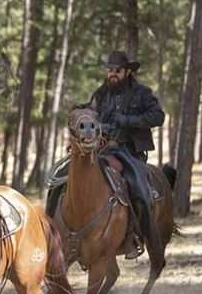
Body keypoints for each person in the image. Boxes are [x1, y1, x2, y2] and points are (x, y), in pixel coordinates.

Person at [46, 51, 165, 258]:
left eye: (117, 71)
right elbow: (91, 109)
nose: (112, 74)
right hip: (100, 149)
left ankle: (139, 238)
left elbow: (158, 116)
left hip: (129, 151)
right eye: (109, 70)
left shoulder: (143, 93)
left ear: (128, 72)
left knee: (139, 189)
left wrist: (127, 120)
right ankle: (49, 232)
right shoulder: (101, 93)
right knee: (60, 178)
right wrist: (79, 110)